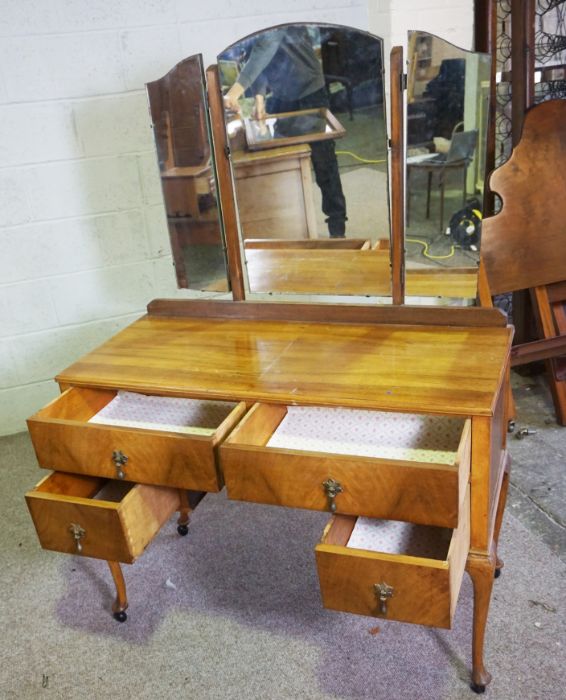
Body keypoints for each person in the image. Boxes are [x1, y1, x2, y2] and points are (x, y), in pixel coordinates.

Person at [224, 26, 347, 238]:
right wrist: (260, 98)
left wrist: (235, 92)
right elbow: (260, 56)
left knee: (324, 165)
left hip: (310, 93)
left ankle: (338, 231)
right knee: (283, 165)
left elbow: (266, 47)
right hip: (282, 96)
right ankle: (292, 228)